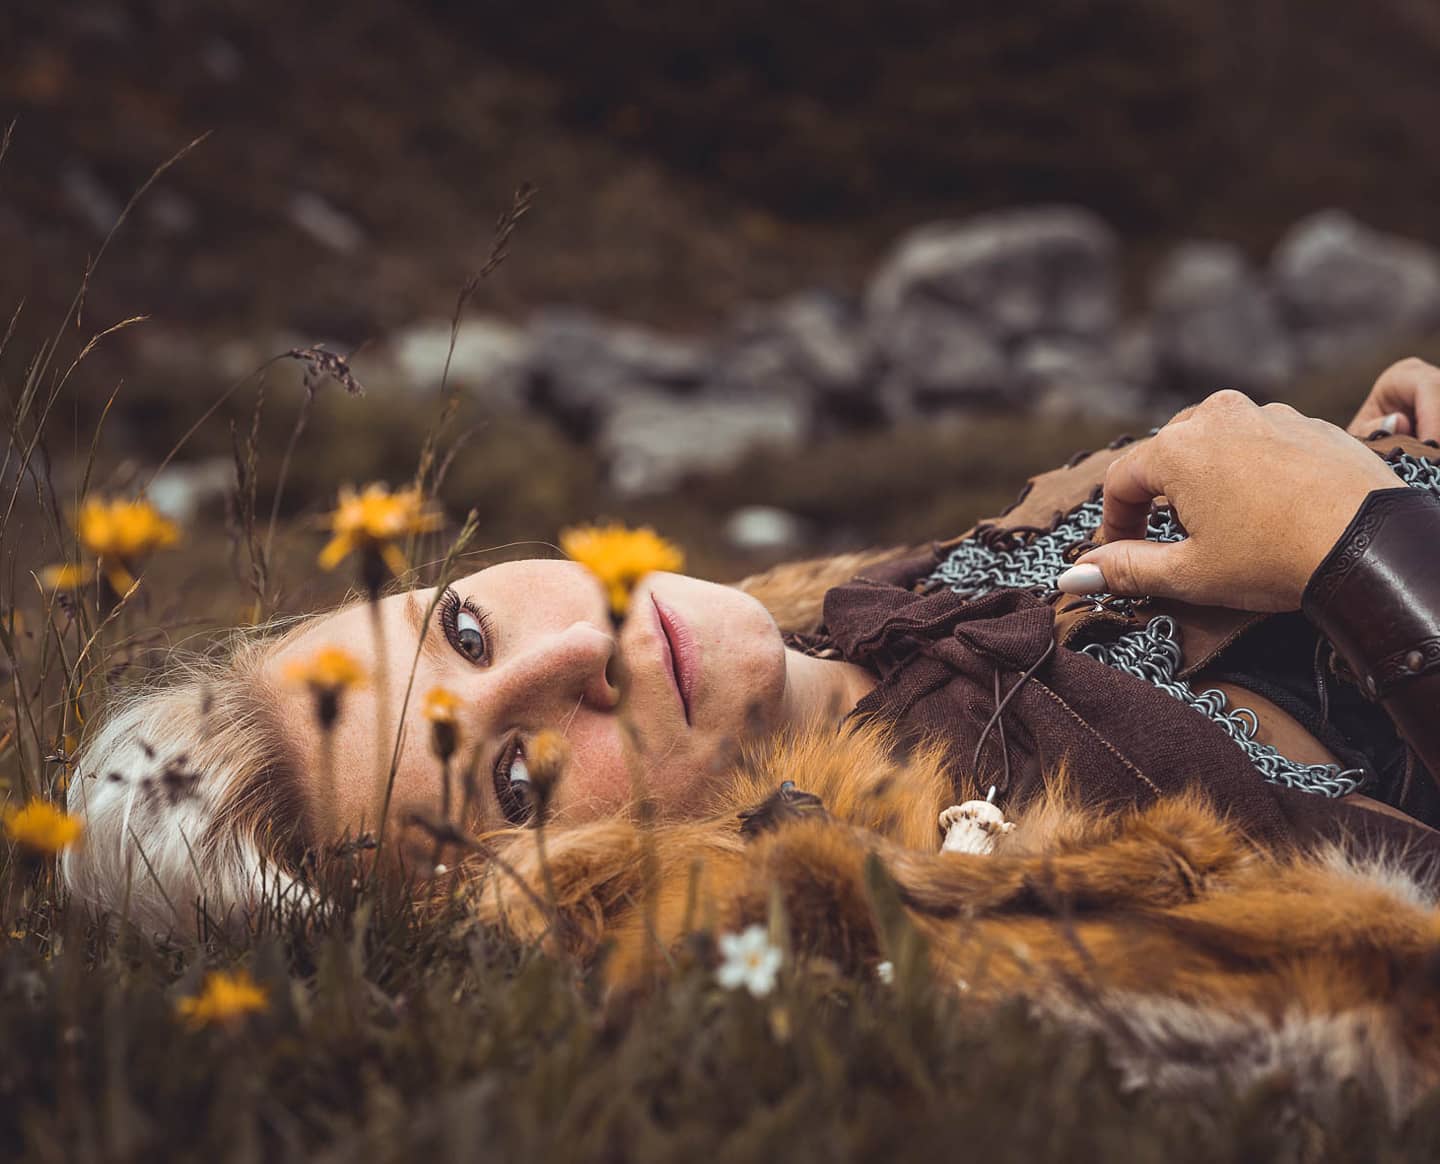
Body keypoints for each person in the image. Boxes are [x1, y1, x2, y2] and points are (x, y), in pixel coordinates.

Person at [61, 357, 1440, 933]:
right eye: (514, 786)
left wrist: (1382, 452)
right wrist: (1368, 548)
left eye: (465, 625)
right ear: (563, 903)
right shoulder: (1019, 880)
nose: (569, 662)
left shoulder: (877, 606)